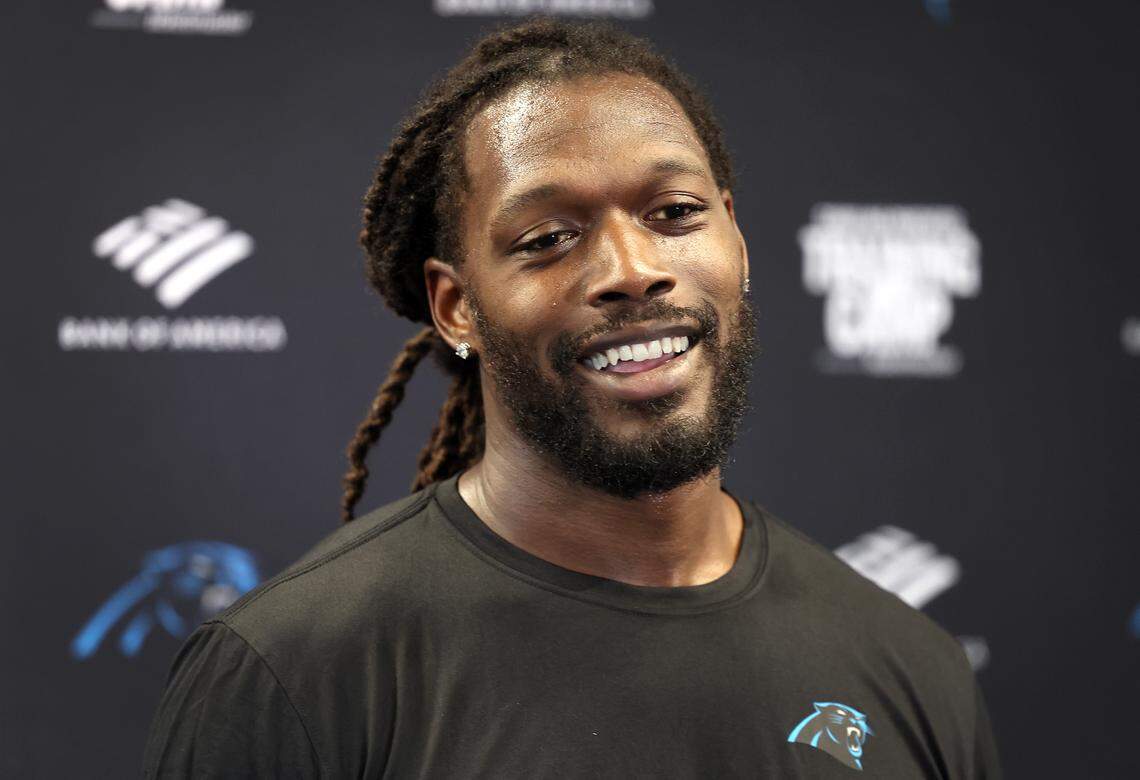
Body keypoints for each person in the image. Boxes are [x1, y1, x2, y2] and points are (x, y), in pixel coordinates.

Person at [143, 18, 1001, 778]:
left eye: (673, 212)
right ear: (456, 306)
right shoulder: (294, 670)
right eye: (548, 238)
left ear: (735, 239)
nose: (632, 271)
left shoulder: (908, 665)